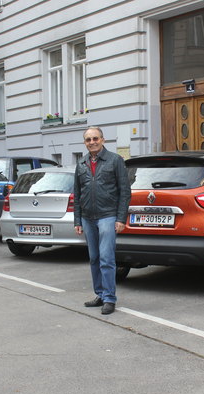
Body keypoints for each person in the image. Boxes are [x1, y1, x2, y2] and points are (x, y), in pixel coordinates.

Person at [74, 126, 131, 315]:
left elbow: (125, 192)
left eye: (95, 138)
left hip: (108, 215)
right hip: (88, 218)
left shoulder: (115, 160)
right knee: (94, 259)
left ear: (103, 140)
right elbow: (78, 193)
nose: (92, 142)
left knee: (107, 258)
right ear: (85, 143)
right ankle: (99, 294)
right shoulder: (81, 163)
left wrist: (121, 218)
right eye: (88, 139)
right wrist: (77, 221)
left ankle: (109, 298)